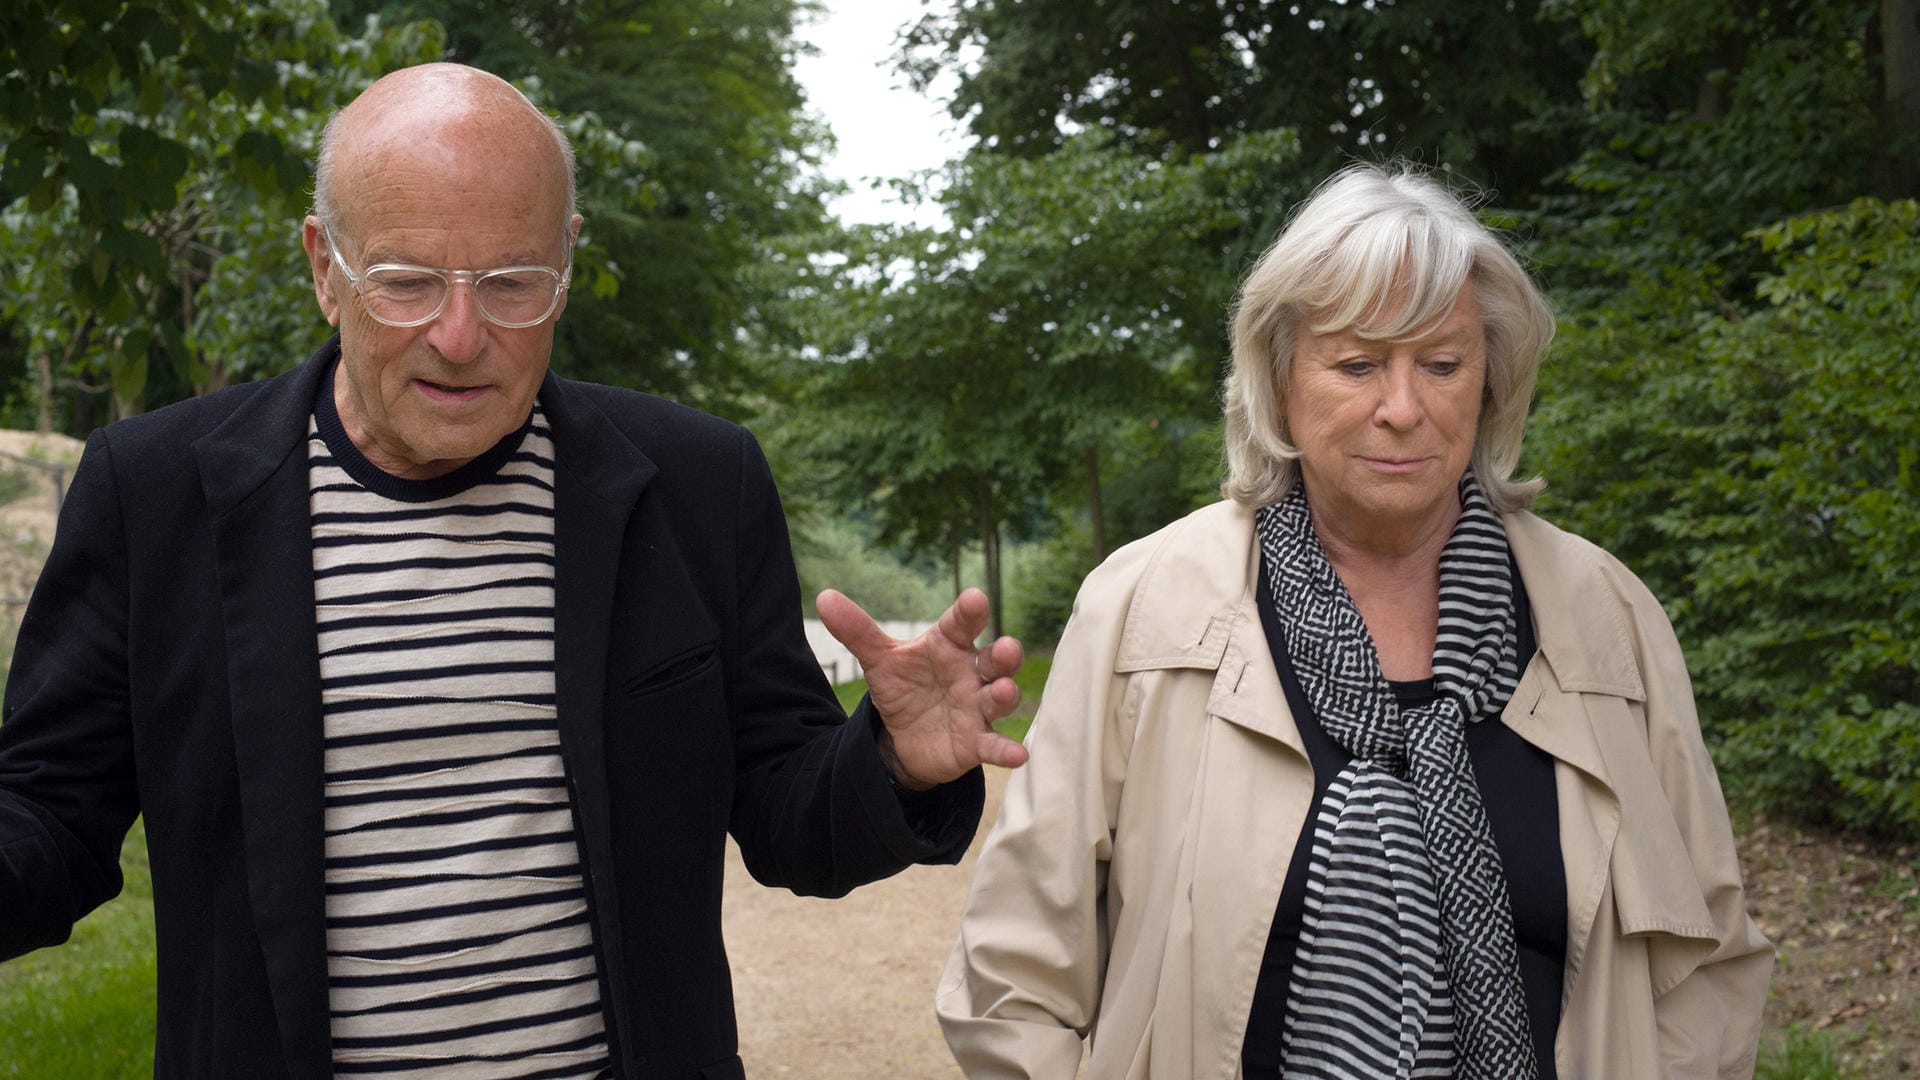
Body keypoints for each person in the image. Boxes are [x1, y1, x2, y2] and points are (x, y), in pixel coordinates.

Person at [0, 63, 1028, 1079]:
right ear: (325, 267)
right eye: (405, 282)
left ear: (566, 264)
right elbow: (53, 812)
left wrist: (888, 760)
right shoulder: (156, 495)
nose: (459, 337)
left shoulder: (697, 485)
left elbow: (785, 815)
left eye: (511, 283)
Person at [935, 164, 1773, 1078]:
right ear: (1281, 380)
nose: (1403, 408)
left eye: (1442, 365)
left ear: (1491, 383)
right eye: (1359, 363)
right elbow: (1013, 981)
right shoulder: (1145, 609)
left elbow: (1708, 962)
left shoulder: (1606, 616)